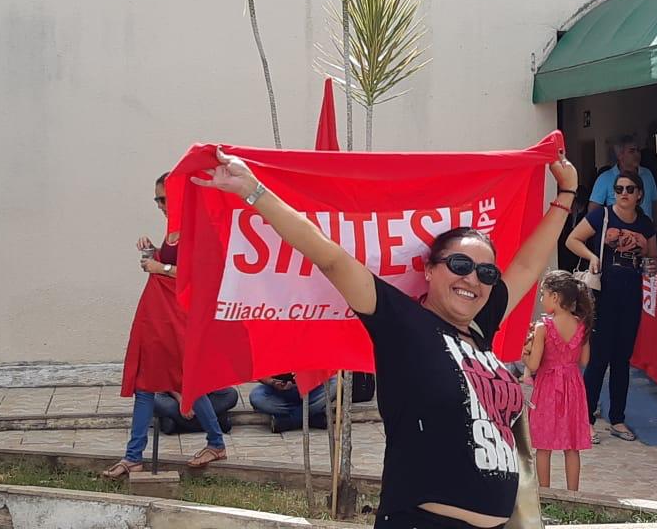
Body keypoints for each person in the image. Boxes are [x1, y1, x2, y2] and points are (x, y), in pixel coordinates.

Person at [193, 146, 578, 529]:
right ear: (429, 270)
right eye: (460, 265)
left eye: (486, 273)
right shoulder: (404, 324)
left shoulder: (481, 326)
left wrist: (565, 196)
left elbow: (528, 264)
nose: (473, 279)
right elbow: (331, 258)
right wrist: (253, 190)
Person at [102, 172, 230, 478]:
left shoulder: (195, 225)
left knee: (187, 379)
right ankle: (134, 455)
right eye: (157, 199)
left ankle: (215, 441)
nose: (159, 204)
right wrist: (152, 252)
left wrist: (161, 266)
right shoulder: (173, 227)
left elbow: (198, 273)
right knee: (146, 382)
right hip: (159, 313)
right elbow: (170, 263)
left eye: (164, 198)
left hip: (177, 314)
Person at [566, 170, 657, 443]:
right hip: (603, 291)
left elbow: (653, 256)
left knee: (622, 359)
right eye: (619, 189)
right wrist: (592, 256)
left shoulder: (644, 222)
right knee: (598, 358)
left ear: (639, 194)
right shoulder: (603, 215)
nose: (624, 194)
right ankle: (585, 419)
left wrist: (651, 265)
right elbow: (572, 239)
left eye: (630, 189)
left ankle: (617, 418)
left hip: (631, 290)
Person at [523, 270, 593, 491]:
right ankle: (574, 494)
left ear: (555, 296)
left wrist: (524, 352)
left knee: (543, 446)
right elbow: (584, 360)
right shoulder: (582, 325)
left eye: (543, 294)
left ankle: (545, 493)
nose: (541, 299)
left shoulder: (543, 327)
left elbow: (533, 365)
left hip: (547, 387)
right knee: (572, 446)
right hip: (573, 386)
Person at [588, 134, 657, 219]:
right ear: (620, 155)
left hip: (646, 229)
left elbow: (655, 206)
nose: (637, 154)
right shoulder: (605, 178)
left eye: (638, 150)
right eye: (632, 151)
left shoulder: (647, 174)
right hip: (618, 231)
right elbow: (593, 211)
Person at [249, 374, 334, 433]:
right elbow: (259, 373)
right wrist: (272, 382)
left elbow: (323, 370)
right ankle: (309, 417)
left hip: (310, 389)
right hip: (278, 390)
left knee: (336, 383)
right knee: (257, 396)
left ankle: (290, 421)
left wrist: (307, 383)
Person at [156, 387, 239, 435]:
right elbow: (166, 378)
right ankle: (215, 421)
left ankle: (179, 425)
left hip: (202, 394)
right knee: (155, 399)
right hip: (173, 397)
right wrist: (182, 400)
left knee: (231, 394)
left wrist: (196, 401)